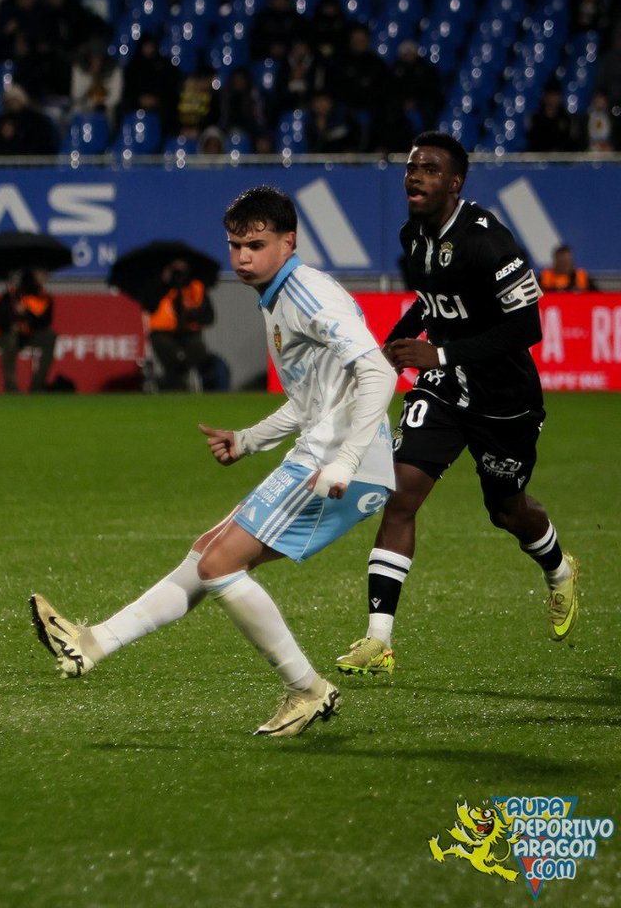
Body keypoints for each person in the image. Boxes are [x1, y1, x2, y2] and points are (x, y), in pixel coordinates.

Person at [31, 186, 398, 737]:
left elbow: (381, 373)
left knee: (220, 564)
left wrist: (345, 460)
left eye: (255, 243)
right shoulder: (279, 297)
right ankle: (93, 643)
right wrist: (248, 440)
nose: (242, 257)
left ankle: (307, 689)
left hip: (339, 465)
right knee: (208, 551)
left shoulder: (308, 295)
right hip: (322, 454)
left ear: (288, 242)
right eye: (235, 245)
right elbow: (307, 402)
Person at [335, 131, 580, 677]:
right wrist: (394, 348)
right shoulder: (414, 234)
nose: (414, 176)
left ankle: (559, 568)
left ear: (454, 182)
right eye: (410, 166)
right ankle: (380, 639)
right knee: (400, 495)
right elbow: (431, 302)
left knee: (507, 510)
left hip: (503, 399)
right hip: (444, 390)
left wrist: (438, 352)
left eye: (428, 168)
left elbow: (527, 326)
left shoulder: (487, 240)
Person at [147, 259, 217, 391]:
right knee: (171, 358)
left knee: (198, 351)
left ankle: (203, 387)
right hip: (163, 333)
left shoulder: (196, 287)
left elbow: (209, 317)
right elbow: (148, 304)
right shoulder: (158, 287)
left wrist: (193, 314)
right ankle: (172, 385)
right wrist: (164, 281)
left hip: (190, 333)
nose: (178, 271)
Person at [0, 268, 56, 393]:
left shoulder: (44, 297)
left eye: (45, 274)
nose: (44, 277)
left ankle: (37, 386)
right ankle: (11, 388)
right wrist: (13, 315)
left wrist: (27, 314)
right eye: (40, 273)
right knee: (10, 340)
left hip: (26, 336)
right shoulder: (11, 295)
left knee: (50, 337)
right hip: (2, 335)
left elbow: (45, 323)